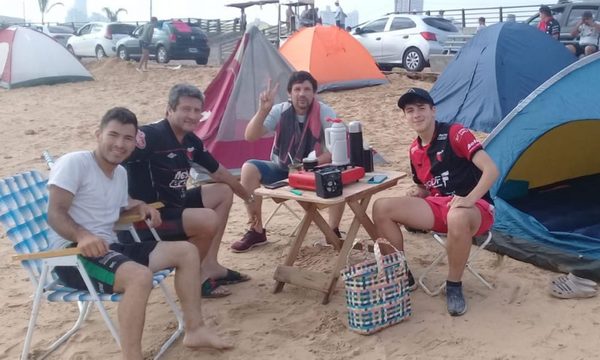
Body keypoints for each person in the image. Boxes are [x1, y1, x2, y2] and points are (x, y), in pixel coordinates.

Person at [47, 107, 232, 359]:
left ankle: (195, 330)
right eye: (113, 135)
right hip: (73, 255)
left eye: (127, 138)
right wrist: (82, 236)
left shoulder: (119, 173)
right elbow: (55, 212)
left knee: (187, 252)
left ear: (135, 142)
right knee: (139, 277)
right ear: (98, 134)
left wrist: (139, 206)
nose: (119, 144)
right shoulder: (75, 163)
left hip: (109, 249)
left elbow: (118, 206)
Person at [372, 88, 499, 316]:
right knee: (381, 207)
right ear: (405, 117)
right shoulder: (414, 150)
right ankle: (400, 274)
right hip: (439, 206)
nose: (416, 114)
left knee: (457, 215)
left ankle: (454, 285)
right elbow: (425, 187)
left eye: (421, 108)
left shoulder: (455, 133)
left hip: (476, 209)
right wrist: (418, 194)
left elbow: (491, 170)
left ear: (433, 110)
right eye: (410, 111)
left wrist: (468, 199)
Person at [122, 84, 257, 298]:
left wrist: (247, 197)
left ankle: (210, 264)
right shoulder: (151, 136)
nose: (192, 115)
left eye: (197, 110)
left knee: (222, 191)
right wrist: (128, 200)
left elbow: (220, 173)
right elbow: (117, 161)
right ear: (169, 110)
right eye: (186, 109)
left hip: (175, 205)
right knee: (207, 219)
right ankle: (194, 277)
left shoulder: (191, 140)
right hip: (149, 217)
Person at [233, 71, 345, 252]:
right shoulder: (280, 110)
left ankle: (332, 231)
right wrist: (263, 110)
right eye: (297, 89)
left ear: (314, 93)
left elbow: (337, 150)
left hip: (312, 171)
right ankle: (256, 230)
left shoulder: (324, 111)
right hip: (283, 169)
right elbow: (250, 136)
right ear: (289, 94)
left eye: (307, 89)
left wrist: (312, 163)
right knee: (248, 168)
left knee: (337, 172)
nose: (302, 94)